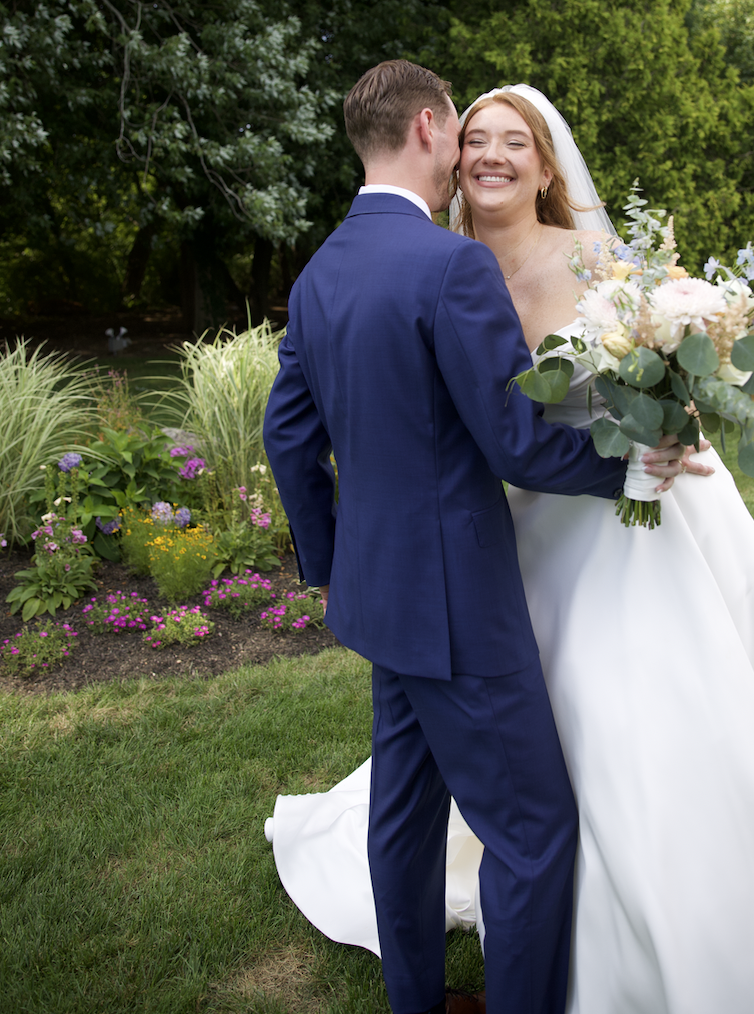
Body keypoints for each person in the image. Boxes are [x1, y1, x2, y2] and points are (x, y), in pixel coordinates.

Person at [261, 63, 694, 1014]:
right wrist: (624, 465)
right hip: (458, 604)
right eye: (460, 131)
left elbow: (288, 440)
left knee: (405, 812)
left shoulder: (320, 269)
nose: (468, 152)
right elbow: (514, 440)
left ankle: (414, 1001)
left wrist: (335, 567)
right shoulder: (449, 264)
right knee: (533, 827)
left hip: (379, 599)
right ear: (428, 126)